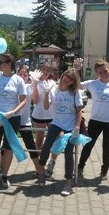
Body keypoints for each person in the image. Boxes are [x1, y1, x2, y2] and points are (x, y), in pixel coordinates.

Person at [36, 68, 82, 196]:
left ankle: (68, 182)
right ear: (63, 75)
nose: (68, 80)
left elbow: (79, 112)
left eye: (72, 79)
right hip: (56, 122)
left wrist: (77, 128)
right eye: (67, 76)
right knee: (46, 146)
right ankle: (41, 173)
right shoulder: (54, 88)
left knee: (68, 152)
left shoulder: (74, 93)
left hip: (70, 124)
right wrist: (45, 93)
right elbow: (46, 107)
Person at [0, 54, 26, 188]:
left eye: (1, 62)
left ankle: (4, 175)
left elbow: (23, 100)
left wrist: (13, 112)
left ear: (9, 64)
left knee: (9, 148)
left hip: (12, 118)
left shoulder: (18, 80)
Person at [30, 62, 57, 177]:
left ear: (51, 72)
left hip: (52, 116)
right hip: (39, 115)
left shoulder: (52, 83)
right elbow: (35, 100)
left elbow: (55, 99)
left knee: (54, 140)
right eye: (44, 69)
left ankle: (51, 163)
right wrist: (35, 82)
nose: (45, 72)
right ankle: (40, 165)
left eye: (48, 70)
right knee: (39, 141)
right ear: (40, 70)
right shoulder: (35, 81)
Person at [16, 66, 40, 172]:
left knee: (32, 148)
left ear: (28, 77)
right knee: (6, 147)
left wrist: (35, 83)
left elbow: (35, 99)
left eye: (25, 75)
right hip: (12, 120)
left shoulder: (29, 87)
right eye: (20, 74)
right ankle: (1, 170)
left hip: (25, 122)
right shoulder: (13, 85)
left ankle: (40, 171)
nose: (22, 76)